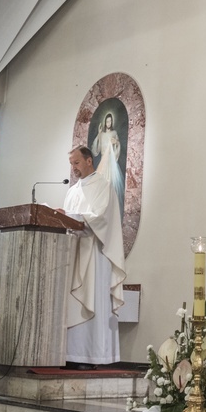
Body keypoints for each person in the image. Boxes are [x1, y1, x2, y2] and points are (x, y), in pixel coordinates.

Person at [58, 146, 126, 369]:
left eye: (76, 162)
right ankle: (70, 354)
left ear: (89, 161)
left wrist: (69, 217)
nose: (73, 168)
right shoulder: (73, 191)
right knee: (73, 303)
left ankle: (91, 356)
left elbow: (99, 220)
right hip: (74, 253)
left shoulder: (103, 187)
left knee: (92, 299)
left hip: (95, 256)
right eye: (71, 164)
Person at [91, 113, 125, 214]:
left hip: (110, 163)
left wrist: (117, 143)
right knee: (100, 187)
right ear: (105, 122)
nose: (108, 123)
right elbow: (95, 150)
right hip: (102, 162)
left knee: (111, 186)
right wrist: (98, 133)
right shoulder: (101, 134)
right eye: (107, 121)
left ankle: (110, 211)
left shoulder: (114, 133)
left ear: (112, 122)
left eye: (110, 121)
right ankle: (100, 211)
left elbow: (117, 147)